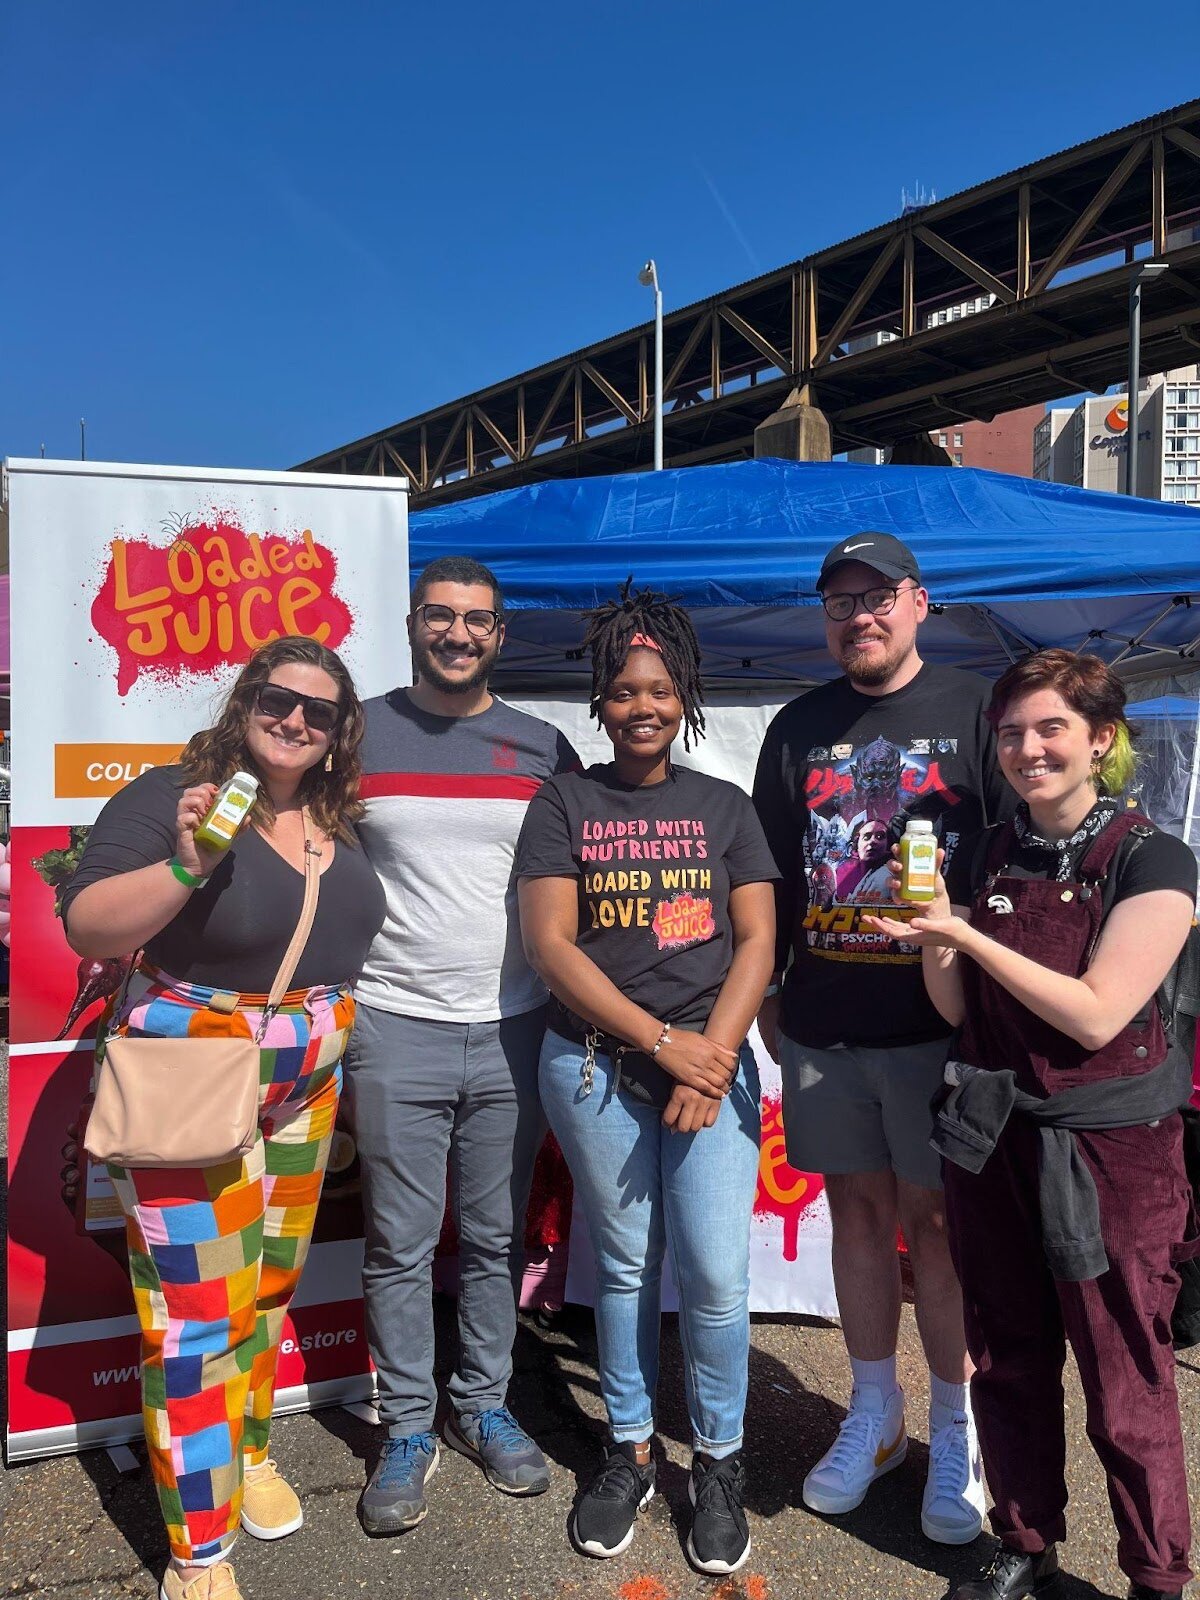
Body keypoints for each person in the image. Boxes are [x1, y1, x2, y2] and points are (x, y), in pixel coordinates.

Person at [865, 649, 1198, 1600]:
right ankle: (1025, 1539)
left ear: (1101, 740)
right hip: (993, 1136)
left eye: (1050, 728)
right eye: (1011, 732)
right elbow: (951, 1010)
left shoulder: (1154, 860)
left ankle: (1154, 1575)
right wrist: (935, 929)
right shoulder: (990, 848)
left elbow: (1097, 1014)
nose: (1027, 748)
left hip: (1112, 1152)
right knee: (1006, 1351)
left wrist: (968, 932)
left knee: (1124, 1373)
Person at [62, 637, 386, 1600]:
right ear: (247, 700)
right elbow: (87, 924)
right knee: (198, 1318)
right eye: (278, 699)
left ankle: (245, 1455)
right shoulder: (177, 795)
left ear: (337, 735)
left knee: (266, 1292)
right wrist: (187, 862)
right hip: (193, 1077)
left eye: (318, 711)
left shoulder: (337, 819)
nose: (294, 719)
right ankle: (198, 1550)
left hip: (305, 1086)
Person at [752, 533, 1011, 1544]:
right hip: (824, 1026)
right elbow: (769, 875)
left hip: (935, 1028)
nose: (858, 615)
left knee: (938, 1228)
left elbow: (1009, 858)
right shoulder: (798, 724)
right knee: (854, 1217)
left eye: (876, 597)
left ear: (918, 602)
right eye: (839, 601)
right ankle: (876, 1411)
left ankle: (958, 1422)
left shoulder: (973, 710)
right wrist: (771, 991)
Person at [516, 583, 778, 1576]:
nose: (641, 706)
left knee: (713, 1272)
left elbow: (758, 940)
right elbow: (550, 945)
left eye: (659, 689)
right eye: (623, 690)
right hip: (594, 1069)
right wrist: (661, 1042)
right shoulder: (565, 801)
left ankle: (718, 1459)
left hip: (708, 1071)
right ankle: (628, 1448)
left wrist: (707, 1055)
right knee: (622, 1267)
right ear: (599, 699)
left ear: (685, 696)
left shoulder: (724, 807)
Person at [344, 555, 579, 1535]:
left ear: (499, 633)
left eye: (475, 619)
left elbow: (582, 875)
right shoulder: (355, 733)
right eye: (439, 616)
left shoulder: (541, 746)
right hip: (393, 1020)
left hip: (515, 1025)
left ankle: (482, 1402)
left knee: (495, 1237)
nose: (457, 633)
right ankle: (405, 1424)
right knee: (398, 1242)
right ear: (411, 623)